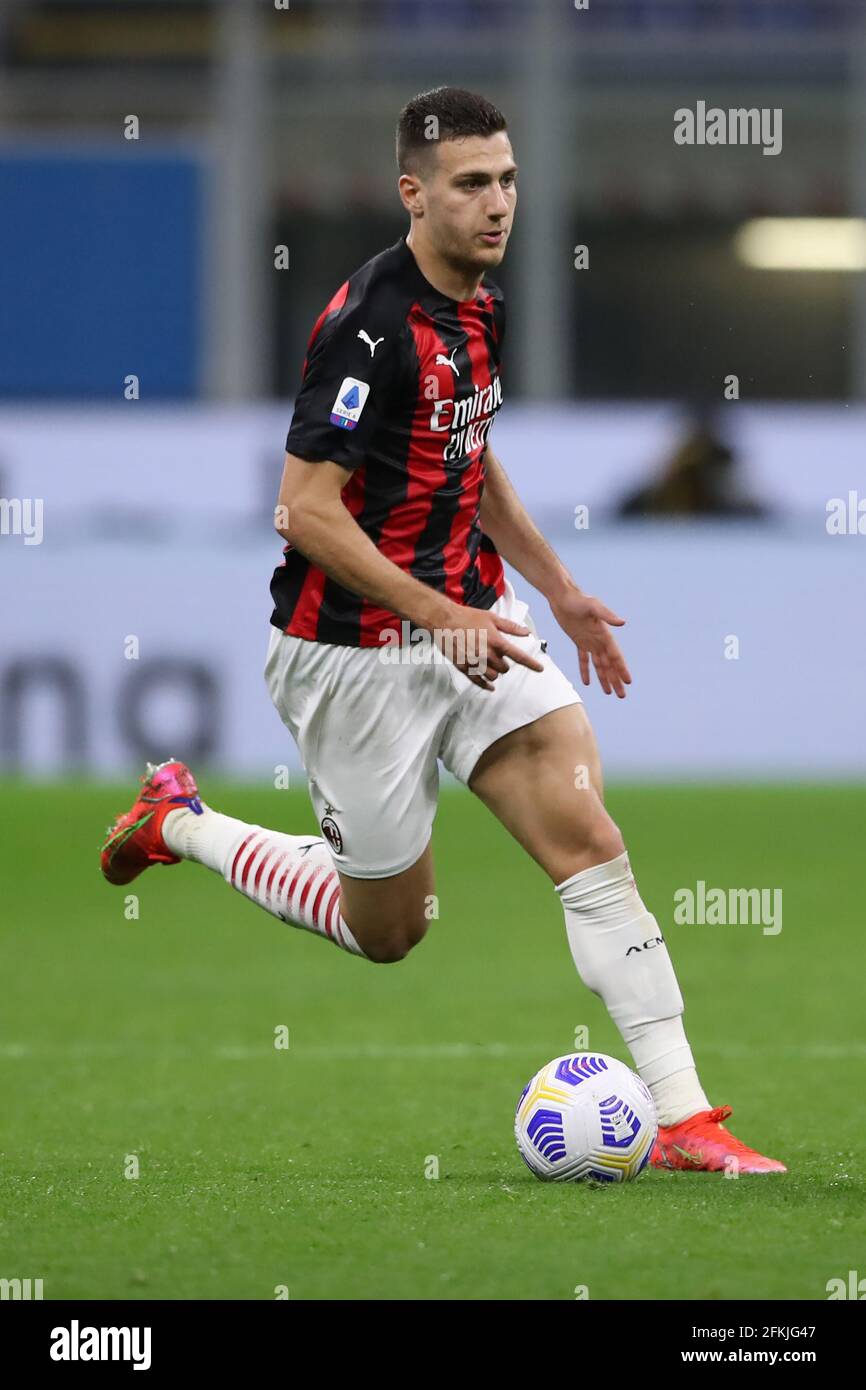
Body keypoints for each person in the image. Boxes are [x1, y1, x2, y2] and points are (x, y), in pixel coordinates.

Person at [101, 87, 784, 1174]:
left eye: (507, 178)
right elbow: (304, 510)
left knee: (587, 839)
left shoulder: (481, 302)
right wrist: (440, 613)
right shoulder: (367, 327)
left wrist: (551, 587)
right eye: (472, 183)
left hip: (476, 620)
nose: (497, 202)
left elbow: (467, 457)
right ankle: (179, 819)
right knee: (389, 930)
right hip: (352, 653)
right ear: (412, 193)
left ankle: (684, 1119)